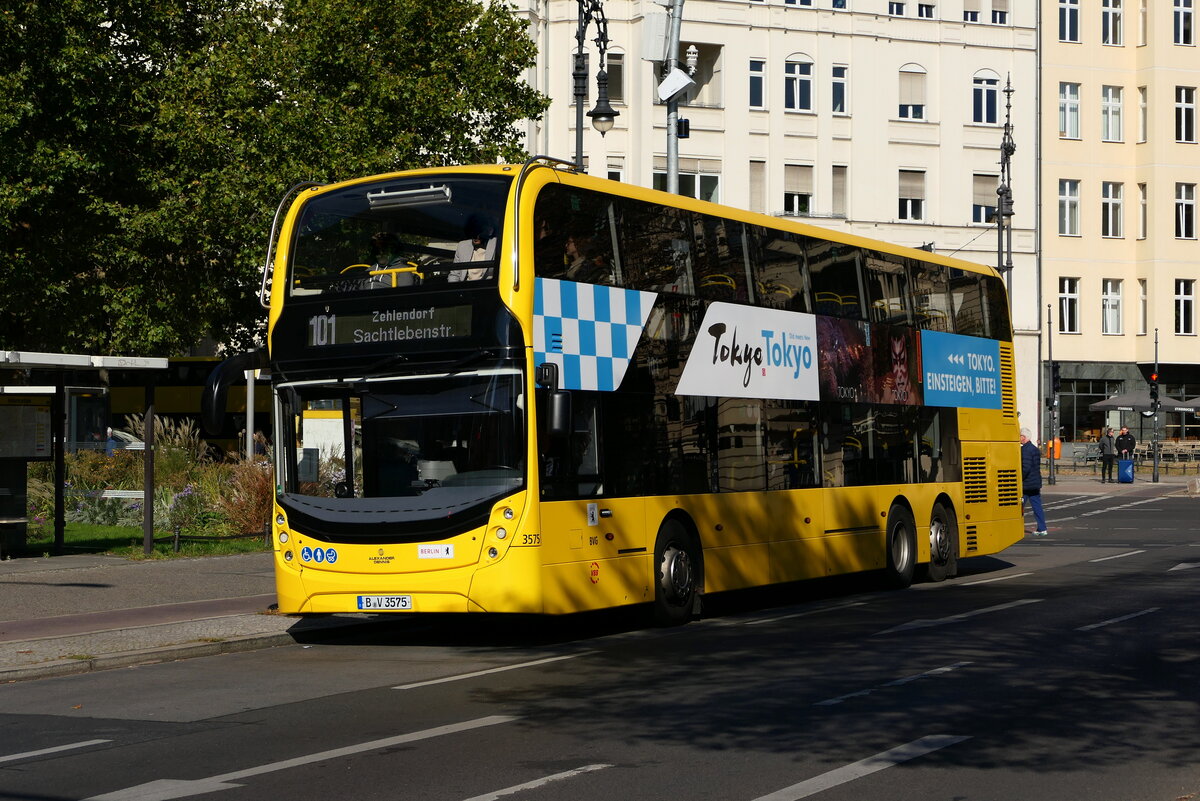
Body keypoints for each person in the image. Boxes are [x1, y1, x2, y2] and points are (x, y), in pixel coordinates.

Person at [449, 216, 497, 282]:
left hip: (488, 289)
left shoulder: (496, 244)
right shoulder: (462, 246)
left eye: (478, 231)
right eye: (473, 231)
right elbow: (454, 275)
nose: (475, 235)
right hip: (466, 289)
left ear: (488, 231)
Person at [1020, 427, 1047, 536]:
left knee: (1018, 506)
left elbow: (1025, 467)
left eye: (1020, 436)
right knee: (1037, 506)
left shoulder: (1025, 450)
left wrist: (1020, 479)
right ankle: (1042, 528)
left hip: (1027, 483)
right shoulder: (1035, 449)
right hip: (1035, 482)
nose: (1019, 438)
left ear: (1024, 437)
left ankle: (1014, 527)